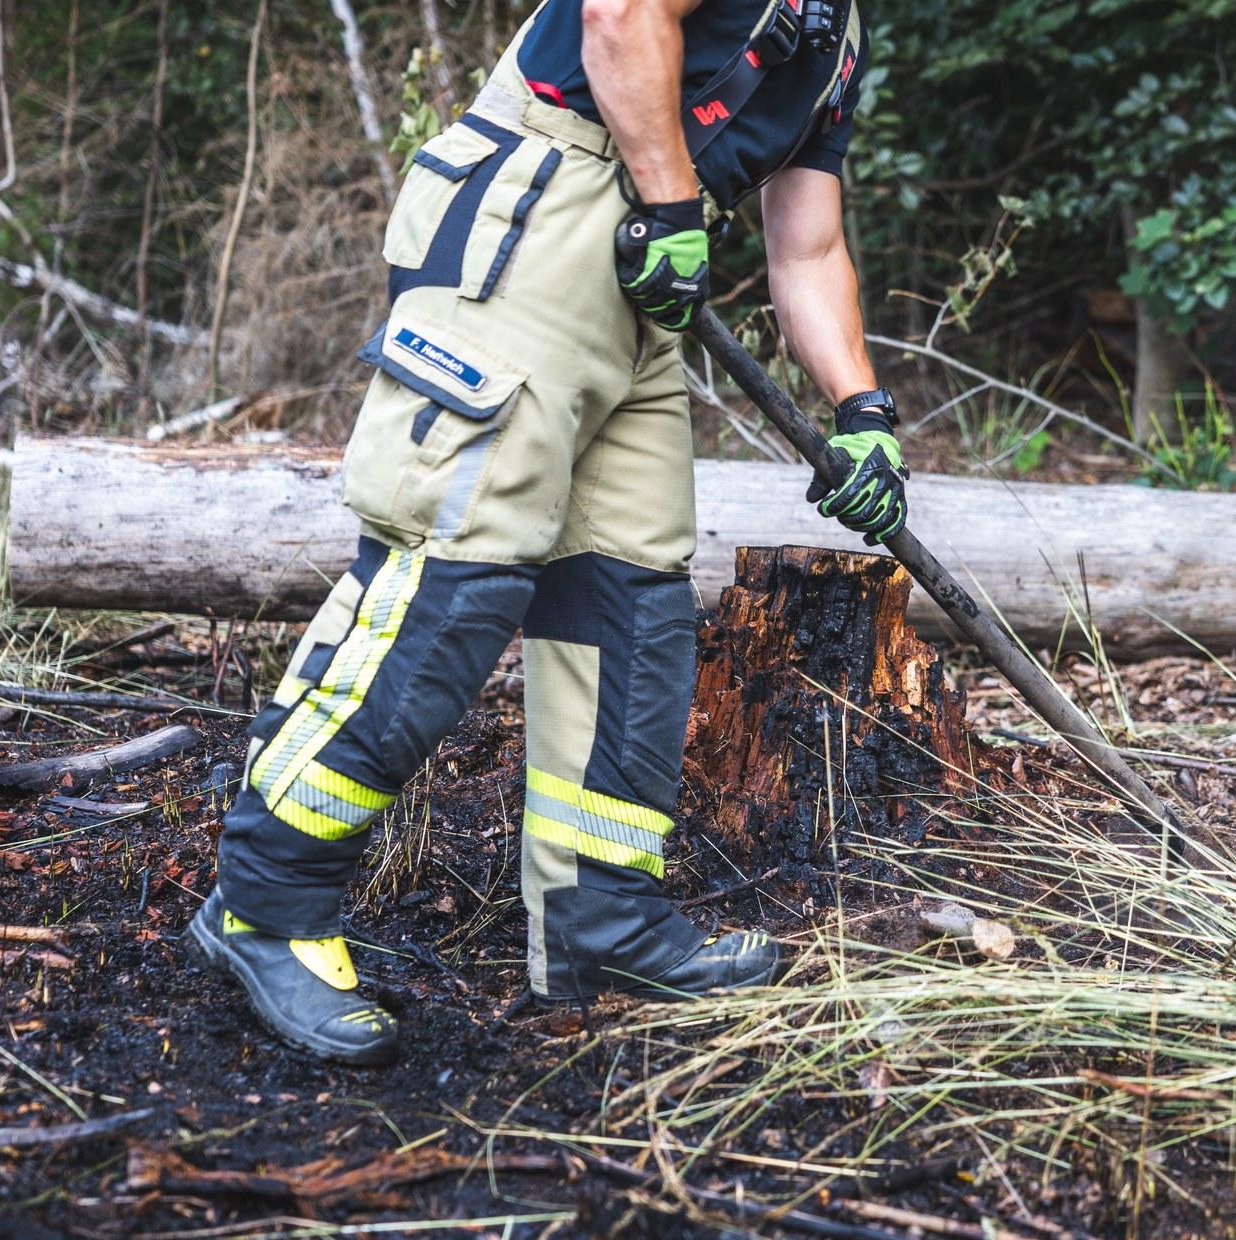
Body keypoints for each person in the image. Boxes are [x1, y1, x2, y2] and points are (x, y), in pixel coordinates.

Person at [187, 0, 906, 1065]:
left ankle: (598, 920)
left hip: (648, 272)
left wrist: (861, 410)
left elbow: (809, 246)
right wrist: (670, 203)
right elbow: (621, 15)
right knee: (454, 573)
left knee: (630, 603)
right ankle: (267, 901)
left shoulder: (835, 39)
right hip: (539, 212)